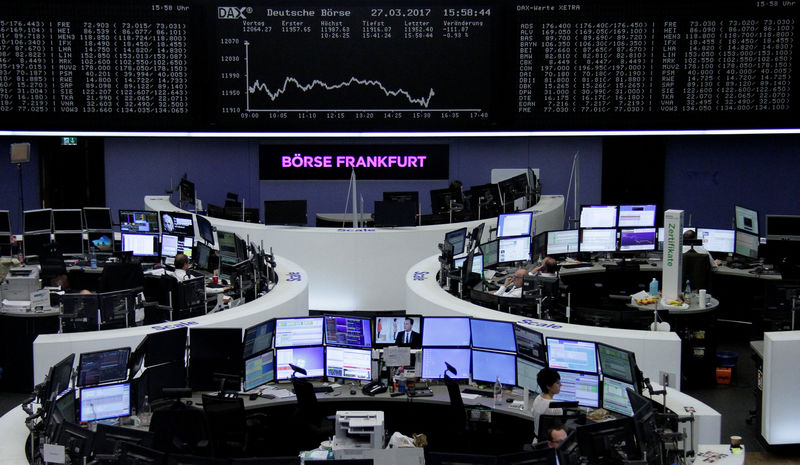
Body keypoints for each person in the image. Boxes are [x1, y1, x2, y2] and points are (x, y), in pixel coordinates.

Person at [532, 367, 564, 437]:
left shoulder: (537, 398)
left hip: (537, 442)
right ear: (548, 386)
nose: (560, 385)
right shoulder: (555, 407)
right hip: (551, 445)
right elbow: (560, 433)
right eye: (557, 383)